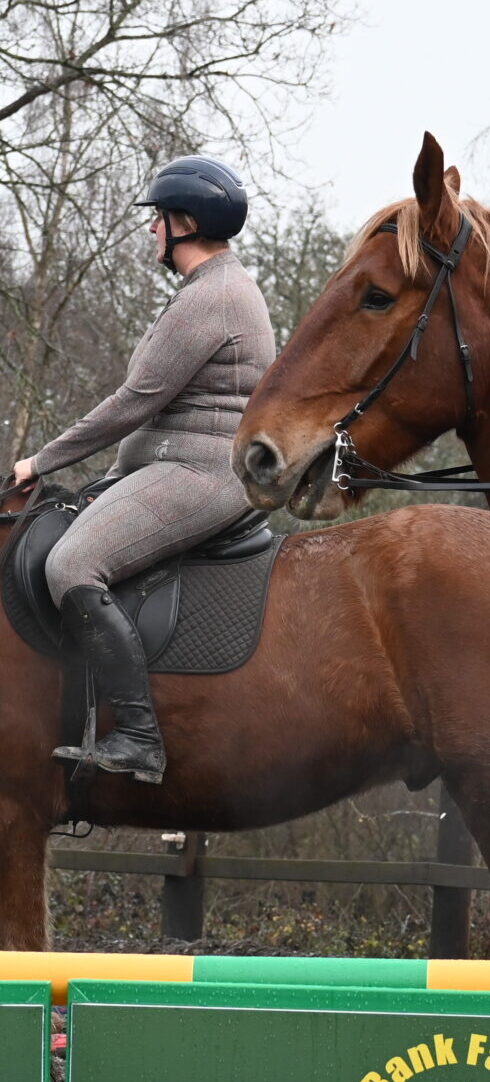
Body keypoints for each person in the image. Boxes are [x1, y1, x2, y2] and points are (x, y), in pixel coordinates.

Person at [7, 156, 275, 782]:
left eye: (157, 219)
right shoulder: (219, 288)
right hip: (172, 463)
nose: (151, 231)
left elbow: (133, 404)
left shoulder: (211, 298)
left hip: (201, 472)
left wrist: (40, 460)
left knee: (71, 563)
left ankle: (136, 734)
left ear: (184, 222)